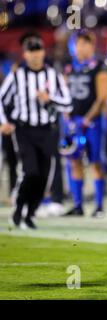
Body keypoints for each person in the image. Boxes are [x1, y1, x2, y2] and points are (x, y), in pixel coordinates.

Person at [0, 32, 72, 229]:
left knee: (43, 175)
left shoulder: (53, 76)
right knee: (30, 171)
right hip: (24, 130)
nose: (35, 54)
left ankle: (30, 213)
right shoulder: (17, 76)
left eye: (38, 50)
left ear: (43, 52)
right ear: (25, 55)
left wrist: (50, 99)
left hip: (47, 130)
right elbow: (1, 99)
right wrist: (4, 122)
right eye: (31, 51)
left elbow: (67, 103)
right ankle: (18, 208)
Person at [64, 30, 107, 218]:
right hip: (73, 120)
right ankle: (77, 204)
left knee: (95, 162)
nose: (80, 48)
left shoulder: (99, 67)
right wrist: (67, 116)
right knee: (73, 160)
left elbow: (102, 97)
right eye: (78, 44)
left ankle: (99, 205)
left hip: (93, 122)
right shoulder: (70, 67)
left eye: (85, 44)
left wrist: (87, 119)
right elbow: (65, 94)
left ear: (92, 46)